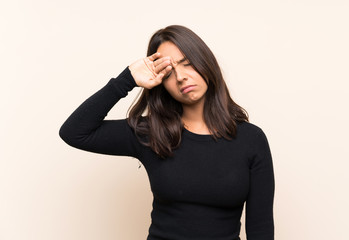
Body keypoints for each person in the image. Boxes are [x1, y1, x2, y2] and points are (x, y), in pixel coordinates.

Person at [59, 25, 275, 240]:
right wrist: (127, 79)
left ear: (206, 63)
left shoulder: (251, 139)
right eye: (169, 72)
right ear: (161, 82)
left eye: (187, 64)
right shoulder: (152, 133)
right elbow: (75, 132)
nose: (181, 77)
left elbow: (261, 228)